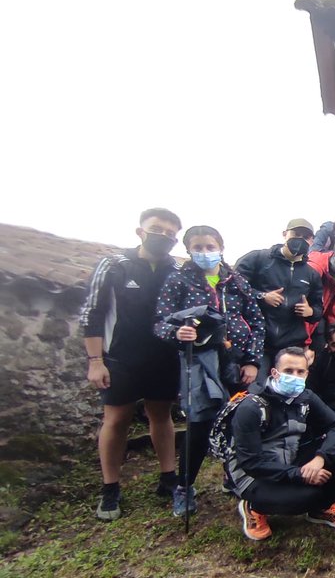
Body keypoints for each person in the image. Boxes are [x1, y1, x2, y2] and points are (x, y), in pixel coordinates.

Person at [153, 224, 264, 516]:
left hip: (237, 360)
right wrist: (176, 333)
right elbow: (161, 321)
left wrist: (252, 361)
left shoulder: (236, 281)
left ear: (221, 248)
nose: (205, 252)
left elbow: (257, 321)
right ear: (189, 250)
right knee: (200, 425)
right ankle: (184, 486)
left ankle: (233, 475)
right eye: (198, 247)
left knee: (238, 421)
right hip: (201, 362)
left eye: (210, 247)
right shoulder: (178, 280)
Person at [81, 208, 184, 520]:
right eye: (157, 229)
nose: (163, 236)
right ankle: (110, 487)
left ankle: (168, 477)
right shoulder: (114, 265)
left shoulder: (176, 270)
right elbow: (92, 314)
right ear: (141, 231)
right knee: (116, 420)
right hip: (120, 357)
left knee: (161, 416)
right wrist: (95, 361)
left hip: (163, 357)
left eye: (170, 233)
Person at [226, 348, 335, 542]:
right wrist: (299, 474)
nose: (295, 376)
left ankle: (321, 509)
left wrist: (320, 458)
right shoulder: (251, 407)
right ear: (274, 372)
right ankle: (253, 507)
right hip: (254, 475)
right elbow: (250, 463)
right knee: (307, 497)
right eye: (288, 371)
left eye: (300, 372)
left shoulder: (305, 397)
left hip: (290, 457)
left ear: (306, 374)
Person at [235, 218, 324, 365]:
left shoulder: (312, 274)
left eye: (305, 237)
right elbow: (234, 287)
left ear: (312, 241)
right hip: (257, 343)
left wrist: (310, 312)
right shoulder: (258, 259)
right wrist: (261, 296)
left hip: (292, 347)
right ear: (285, 234)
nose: (300, 239)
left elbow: (318, 309)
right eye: (296, 234)